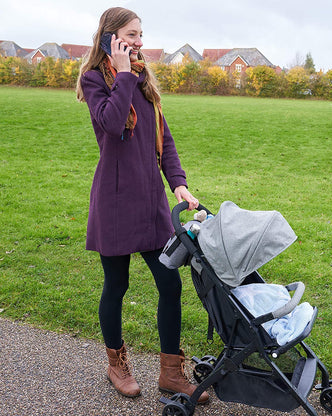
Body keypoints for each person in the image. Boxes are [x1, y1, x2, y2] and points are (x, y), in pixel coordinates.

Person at [76, 7, 208, 403]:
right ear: (110, 36)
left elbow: (162, 138)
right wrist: (126, 75)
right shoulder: (95, 79)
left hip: (151, 198)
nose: (139, 42)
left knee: (169, 282)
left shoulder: (142, 76)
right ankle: (117, 365)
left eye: (140, 34)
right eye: (132, 34)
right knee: (116, 285)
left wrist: (179, 185)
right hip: (115, 199)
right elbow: (113, 125)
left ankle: (171, 373)